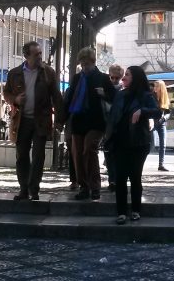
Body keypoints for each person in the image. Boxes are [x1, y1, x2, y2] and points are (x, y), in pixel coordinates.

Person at [3, 41, 63, 201]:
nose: (40, 57)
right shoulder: (14, 73)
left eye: (40, 53)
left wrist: (59, 120)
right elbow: (6, 93)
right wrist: (15, 99)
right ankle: (24, 189)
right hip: (21, 121)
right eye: (36, 54)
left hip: (41, 120)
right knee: (21, 155)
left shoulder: (48, 72)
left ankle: (34, 189)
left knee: (38, 156)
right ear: (26, 56)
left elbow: (56, 97)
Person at [104, 66, 160, 224]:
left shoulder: (146, 95)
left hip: (138, 142)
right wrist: (108, 136)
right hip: (120, 141)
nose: (123, 78)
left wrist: (142, 111)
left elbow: (157, 112)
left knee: (135, 176)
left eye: (127, 75)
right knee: (120, 177)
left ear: (135, 77)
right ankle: (121, 212)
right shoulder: (120, 95)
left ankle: (136, 210)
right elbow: (113, 117)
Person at [59, 47, 115, 201]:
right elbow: (69, 99)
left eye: (87, 64)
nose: (84, 67)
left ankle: (95, 187)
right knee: (77, 154)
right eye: (82, 64)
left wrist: (104, 94)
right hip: (78, 120)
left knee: (89, 149)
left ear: (93, 62)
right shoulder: (77, 78)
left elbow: (114, 97)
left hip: (96, 121)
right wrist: (61, 120)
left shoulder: (103, 78)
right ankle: (84, 186)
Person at [104, 63, 125, 192]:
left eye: (117, 78)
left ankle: (116, 180)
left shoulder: (123, 91)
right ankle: (112, 180)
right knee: (108, 153)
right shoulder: (106, 89)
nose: (114, 80)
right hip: (107, 124)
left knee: (117, 154)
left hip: (118, 125)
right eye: (112, 77)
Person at [150, 80, 170, 171]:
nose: (155, 88)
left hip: (161, 123)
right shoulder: (151, 96)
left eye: (157, 86)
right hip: (152, 122)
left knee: (163, 144)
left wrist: (164, 118)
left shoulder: (165, 98)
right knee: (148, 144)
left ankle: (161, 165)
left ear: (161, 88)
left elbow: (168, 112)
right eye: (154, 86)